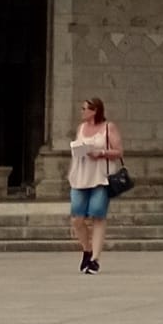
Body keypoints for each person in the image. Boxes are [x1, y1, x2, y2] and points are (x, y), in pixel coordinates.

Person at [68, 96, 123, 275]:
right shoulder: (81, 128)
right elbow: (77, 148)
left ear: (95, 111)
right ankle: (86, 249)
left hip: (101, 177)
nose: (82, 112)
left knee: (98, 216)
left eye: (85, 109)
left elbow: (119, 151)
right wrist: (80, 150)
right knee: (77, 218)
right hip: (80, 176)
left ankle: (95, 259)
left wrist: (99, 152)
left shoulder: (108, 127)